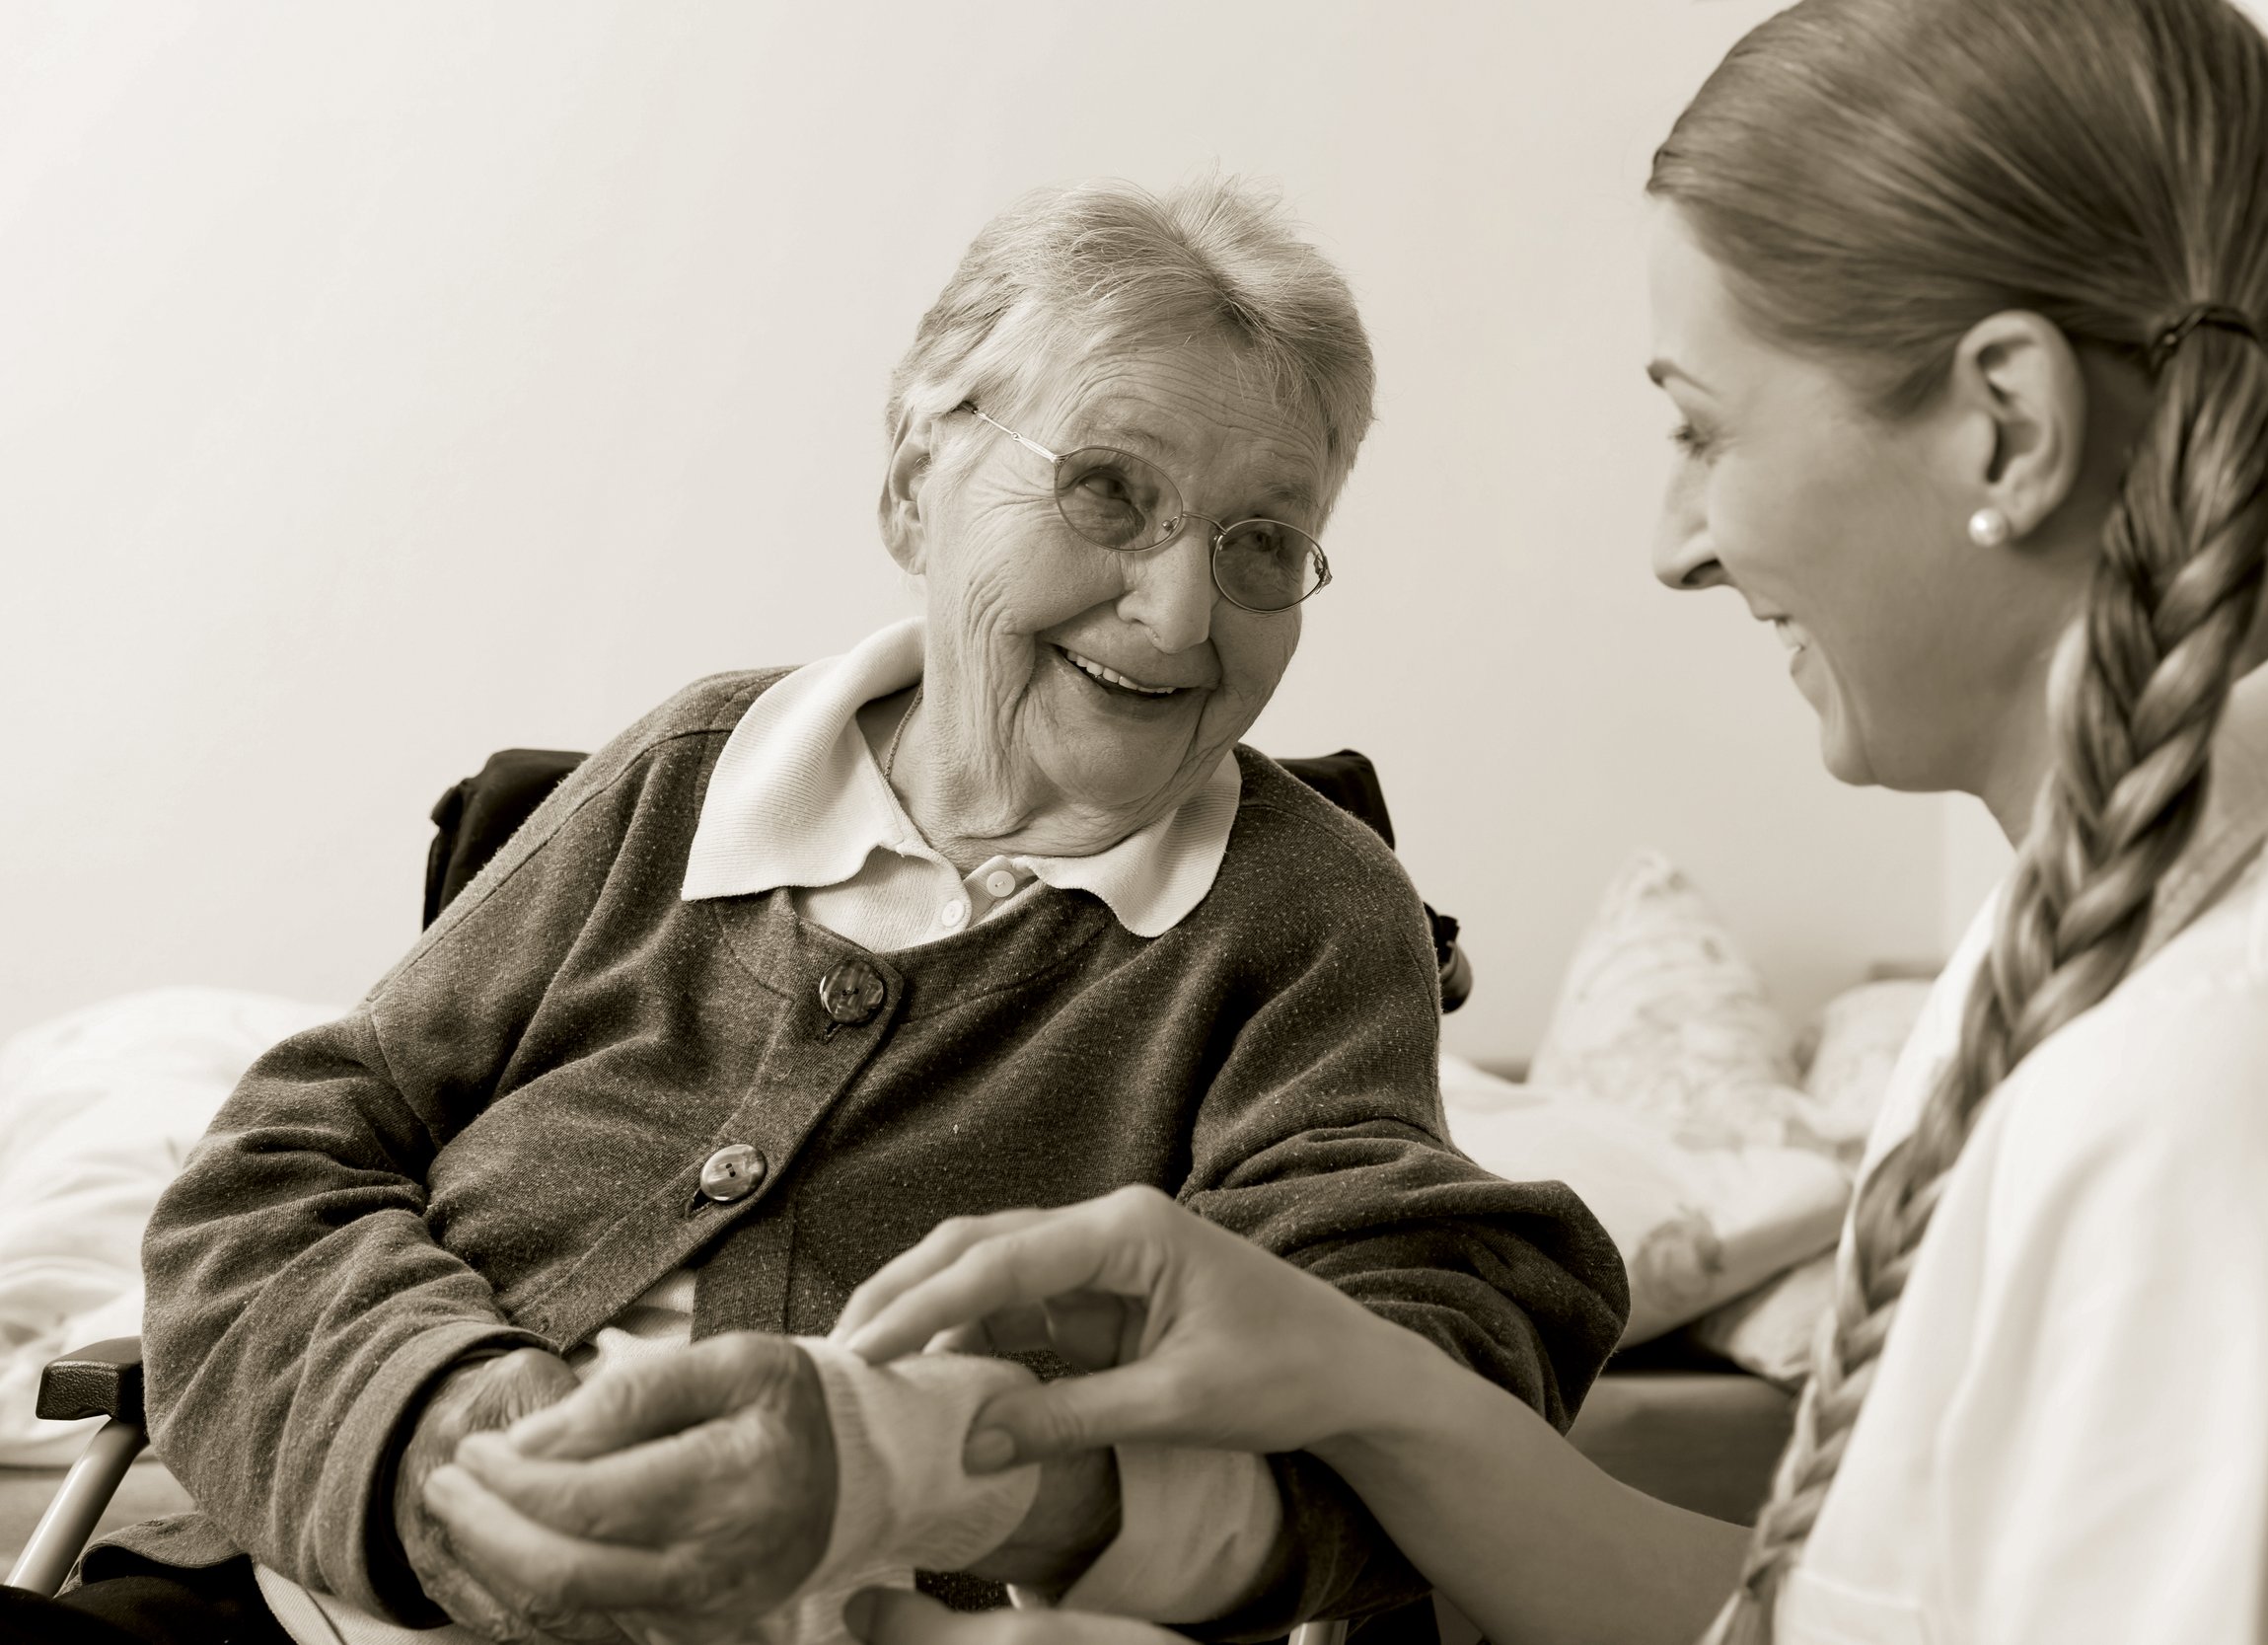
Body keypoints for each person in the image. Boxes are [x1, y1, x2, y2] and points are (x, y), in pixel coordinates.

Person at [636, 1, 2268, 1641]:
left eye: (1701, 428)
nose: (1678, 541)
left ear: (2005, 430)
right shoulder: (2099, 984)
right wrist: (1353, 1379)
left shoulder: (2249, 1097)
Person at [11, 177, 1627, 1645]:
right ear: (921, 482)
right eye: (1111, 494)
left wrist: (914, 1472)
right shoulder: (692, 771)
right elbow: (281, 1164)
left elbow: (1421, 1355)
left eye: (1265, 541)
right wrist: (444, 1430)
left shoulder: (1306, 913)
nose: (1182, 609)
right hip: (308, 1593)